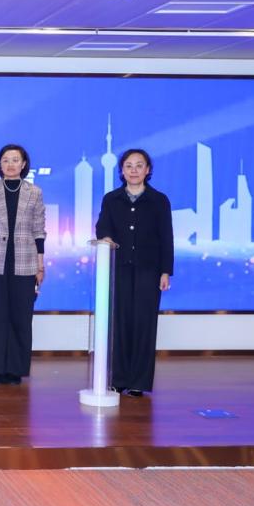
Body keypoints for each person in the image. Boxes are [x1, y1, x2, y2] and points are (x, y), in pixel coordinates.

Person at [95, 148, 173, 397]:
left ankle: (139, 381)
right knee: (119, 323)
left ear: (148, 170)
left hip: (149, 270)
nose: (134, 170)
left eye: (139, 165)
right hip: (118, 269)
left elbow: (166, 238)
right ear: (122, 171)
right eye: (129, 166)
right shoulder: (111, 199)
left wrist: (165, 271)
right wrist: (106, 238)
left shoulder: (159, 200)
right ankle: (119, 379)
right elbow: (102, 227)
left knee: (144, 325)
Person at [0, 144, 46, 385]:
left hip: (25, 261)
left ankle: (16, 369)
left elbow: (39, 229)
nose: (10, 164)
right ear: (0, 164)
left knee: (20, 317)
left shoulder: (34, 192)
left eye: (15, 160)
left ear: (24, 164)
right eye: (6, 160)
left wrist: (40, 264)